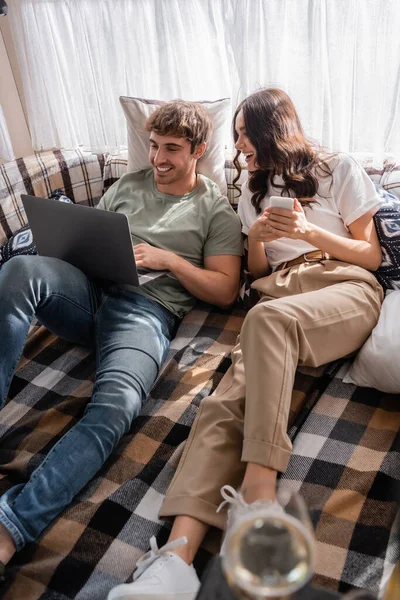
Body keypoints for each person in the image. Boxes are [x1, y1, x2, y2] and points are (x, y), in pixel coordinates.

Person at [107, 88, 385, 600]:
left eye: (241, 135)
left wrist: (309, 232)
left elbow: (369, 256)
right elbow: (256, 273)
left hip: (342, 286)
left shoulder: (336, 168)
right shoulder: (249, 190)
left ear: (269, 128)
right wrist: (255, 237)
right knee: (220, 406)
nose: (237, 148)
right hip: (275, 293)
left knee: (267, 321)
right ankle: (174, 560)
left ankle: (258, 498)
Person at [0, 101, 242, 575]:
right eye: (153, 146)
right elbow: (87, 240)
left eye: (172, 149)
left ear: (199, 150)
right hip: (89, 290)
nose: (158, 159)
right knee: (20, 269)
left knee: (114, 409)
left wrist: (168, 260)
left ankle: (11, 527)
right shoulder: (125, 187)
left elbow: (226, 290)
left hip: (146, 309)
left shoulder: (214, 208)